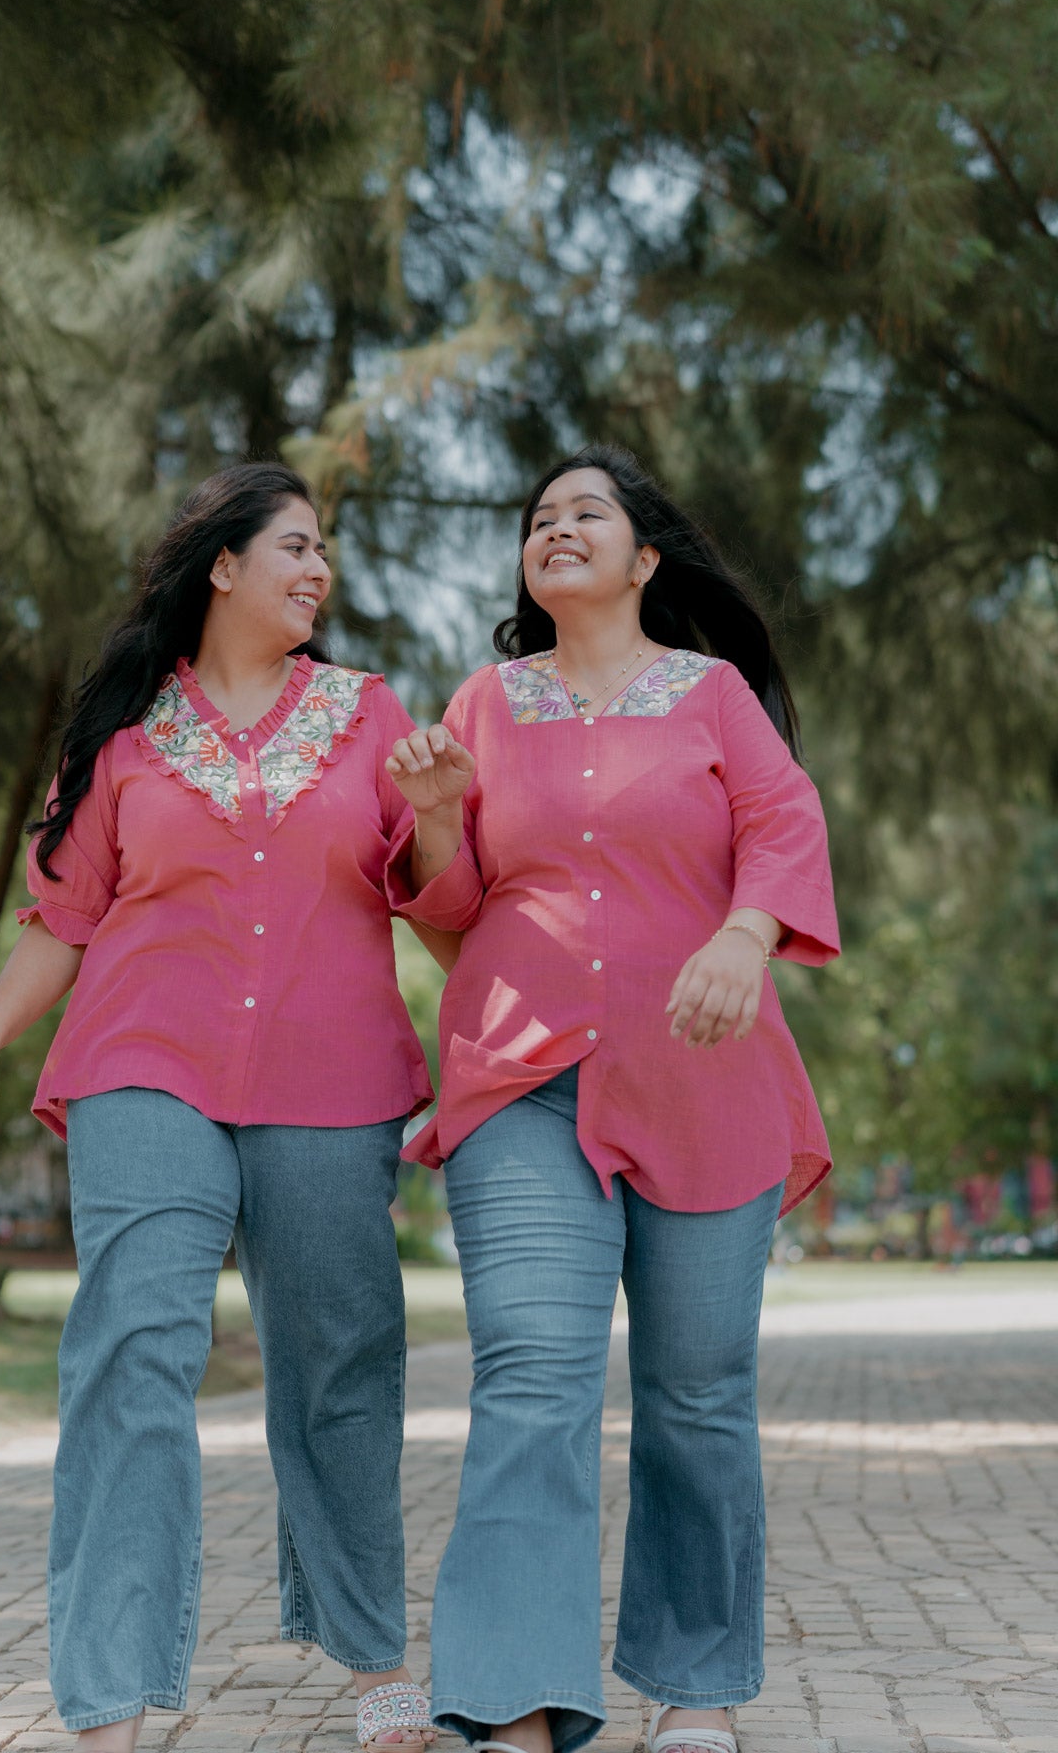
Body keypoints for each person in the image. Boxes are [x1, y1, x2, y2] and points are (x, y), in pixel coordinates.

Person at [0, 463, 447, 1753]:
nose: (317, 571)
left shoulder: (371, 714)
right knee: (131, 1354)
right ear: (222, 567)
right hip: (143, 1063)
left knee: (339, 1360)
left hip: (333, 1078)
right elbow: (65, 919)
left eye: (325, 552)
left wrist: (437, 819)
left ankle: (369, 1648)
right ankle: (110, 1697)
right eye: (294, 547)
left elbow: (433, 895)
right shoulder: (121, 735)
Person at [384, 445, 839, 1753]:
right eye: (539, 518)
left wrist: (745, 938)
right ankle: (515, 1699)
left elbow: (785, 824)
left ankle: (694, 1693)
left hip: (705, 1077)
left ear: (646, 559)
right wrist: (429, 821)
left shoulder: (713, 699)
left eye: (589, 513)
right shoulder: (483, 703)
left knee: (698, 1387)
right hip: (518, 1074)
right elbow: (453, 915)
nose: (557, 528)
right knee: (533, 1372)